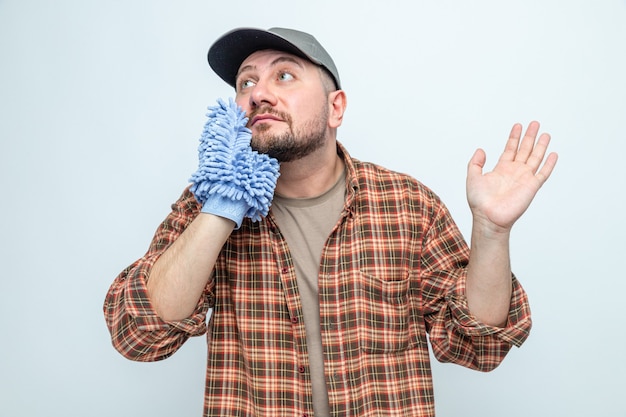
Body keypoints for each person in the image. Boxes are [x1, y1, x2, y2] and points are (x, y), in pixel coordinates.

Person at [104, 27, 558, 417]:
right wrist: (222, 205)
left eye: (284, 75)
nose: (258, 93)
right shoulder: (205, 206)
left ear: (336, 107)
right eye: (246, 83)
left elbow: (479, 344)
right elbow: (138, 333)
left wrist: (492, 232)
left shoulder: (406, 204)